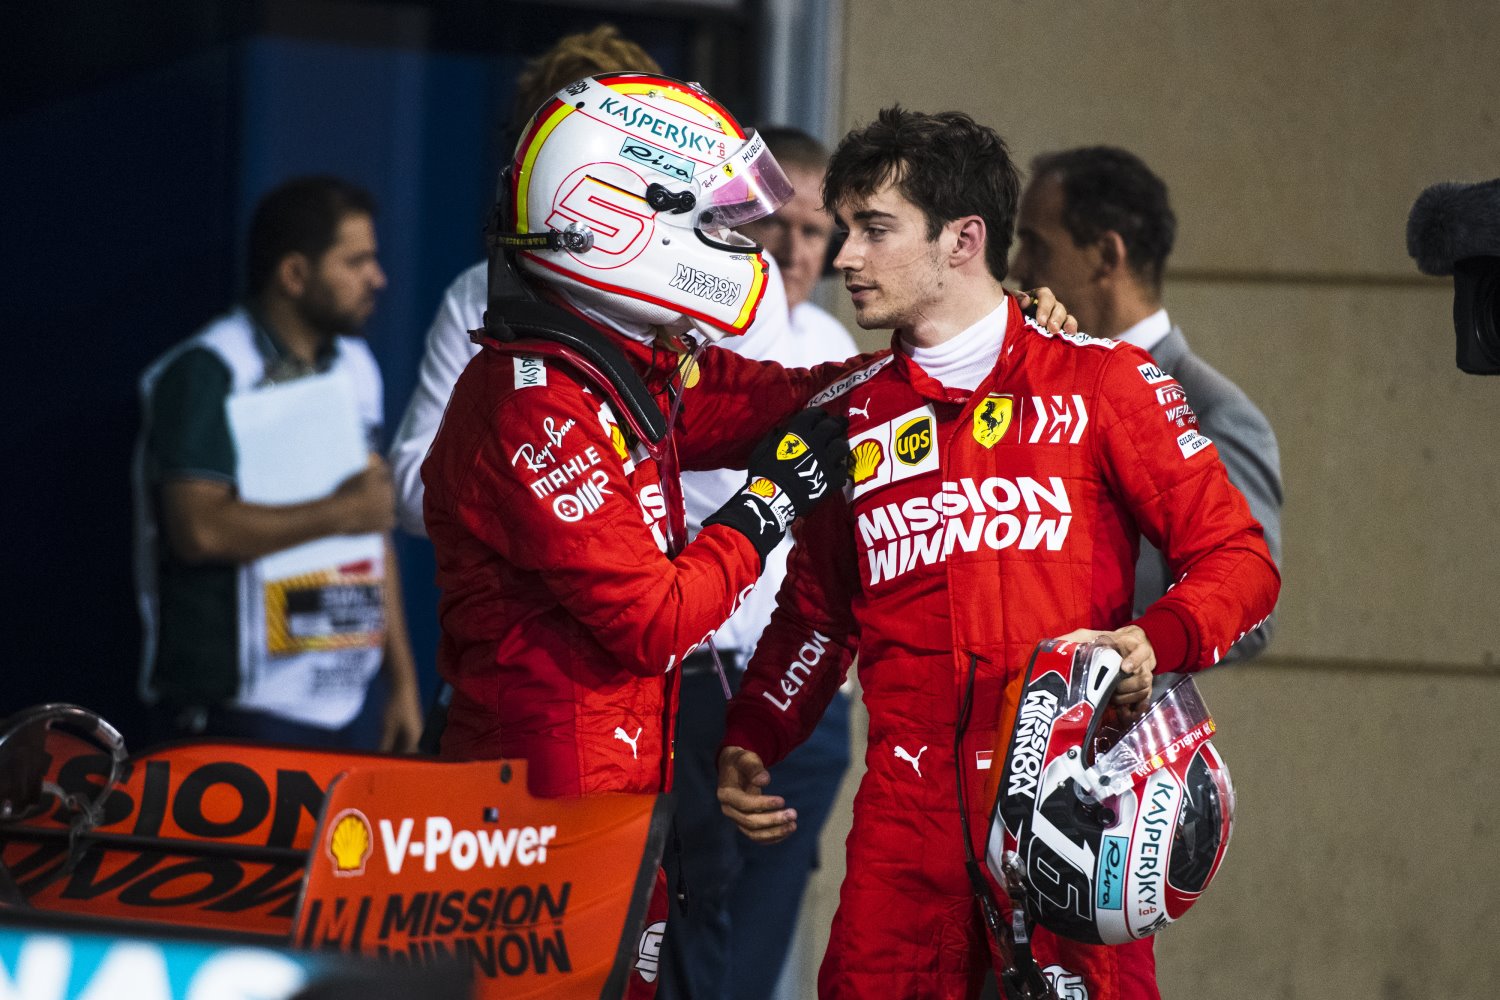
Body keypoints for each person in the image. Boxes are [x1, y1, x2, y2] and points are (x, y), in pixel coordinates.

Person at [715, 108, 1280, 1000]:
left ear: (962, 240)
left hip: (1075, 813)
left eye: (873, 229)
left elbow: (1240, 559)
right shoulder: (847, 412)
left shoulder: (1105, 384)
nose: (844, 257)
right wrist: (757, 730)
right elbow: (820, 617)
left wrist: (1160, 638)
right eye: (845, 228)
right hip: (907, 831)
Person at [419, 72, 862, 1000]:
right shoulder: (533, 405)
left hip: (612, 798)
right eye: (711, 222)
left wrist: (925, 365)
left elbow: (759, 398)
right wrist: (770, 505)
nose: (735, 243)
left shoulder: (611, 367)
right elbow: (653, 618)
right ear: (621, 219)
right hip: (540, 821)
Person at [660, 128, 857, 1000]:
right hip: (690, 677)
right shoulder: (673, 330)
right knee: (681, 945)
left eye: (816, 232)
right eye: (774, 227)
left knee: (757, 959)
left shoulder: (833, 349)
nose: (793, 251)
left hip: (802, 695)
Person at [133, 176, 422, 751]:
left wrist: (403, 683)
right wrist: (342, 511)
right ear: (294, 275)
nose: (378, 279)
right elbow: (199, 529)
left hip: (340, 703)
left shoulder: (357, 366)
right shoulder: (209, 370)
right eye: (356, 261)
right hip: (231, 714)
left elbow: (372, 531)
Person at [1010, 146, 1283, 663]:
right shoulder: (1031, 385)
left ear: (1107, 256)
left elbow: (1253, 608)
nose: (1019, 265)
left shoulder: (1213, 410)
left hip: (1113, 731)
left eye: (1036, 245)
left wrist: (1123, 648)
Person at [389, 24, 663, 534]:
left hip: (705, 602)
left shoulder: (710, 291)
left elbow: (736, 481)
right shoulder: (480, 291)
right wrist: (555, 491)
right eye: (548, 149)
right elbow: (412, 488)